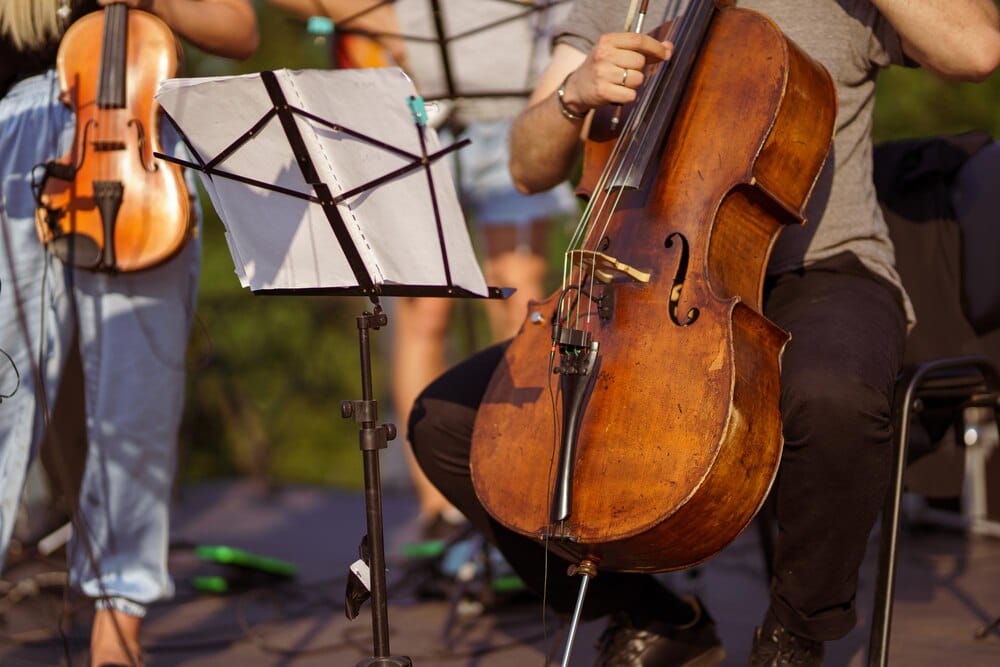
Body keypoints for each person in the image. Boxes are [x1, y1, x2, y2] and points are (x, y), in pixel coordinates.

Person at [408, 1, 1000, 665]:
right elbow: (527, 165)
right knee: (451, 423)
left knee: (834, 396)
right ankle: (656, 616)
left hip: (820, 268)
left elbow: (977, 51)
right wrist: (573, 98)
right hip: (646, 277)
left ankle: (796, 635)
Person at [0, 1, 258, 665]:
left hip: (138, 150)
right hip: (16, 141)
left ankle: (120, 614)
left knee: (136, 397)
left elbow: (240, 31)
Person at [268, 0, 578, 540]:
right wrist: (375, 19)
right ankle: (440, 510)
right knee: (422, 311)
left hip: (519, 109)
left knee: (521, 300)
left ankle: (519, 487)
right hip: (408, 116)